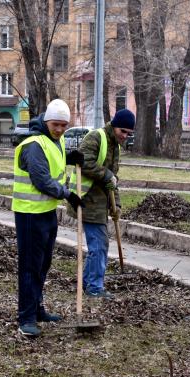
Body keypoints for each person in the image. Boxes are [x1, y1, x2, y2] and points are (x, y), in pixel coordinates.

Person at [12, 99, 85, 338]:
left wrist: (69, 158)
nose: (61, 130)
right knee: (31, 267)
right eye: (56, 125)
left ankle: (37, 308)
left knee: (43, 264)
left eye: (64, 125)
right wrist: (68, 194)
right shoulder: (33, 144)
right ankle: (27, 318)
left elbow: (53, 160)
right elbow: (41, 179)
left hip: (46, 212)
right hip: (30, 215)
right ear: (46, 122)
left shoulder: (56, 140)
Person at [69, 109, 135, 299]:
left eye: (129, 134)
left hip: (101, 202)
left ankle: (87, 283)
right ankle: (94, 287)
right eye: (123, 131)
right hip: (86, 198)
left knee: (99, 244)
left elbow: (113, 180)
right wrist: (106, 175)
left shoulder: (116, 146)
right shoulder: (96, 137)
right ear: (114, 125)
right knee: (99, 244)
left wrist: (118, 205)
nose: (125, 136)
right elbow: (83, 161)